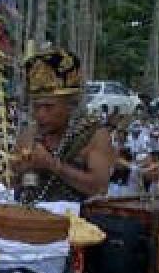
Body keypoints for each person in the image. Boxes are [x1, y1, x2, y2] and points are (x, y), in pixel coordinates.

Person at [12, 49, 116, 203]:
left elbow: (99, 187)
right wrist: (20, 168)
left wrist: (53, 165)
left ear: (70, 105)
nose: (40, 114)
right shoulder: (29, 135)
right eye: (36, 107)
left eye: (48, 107)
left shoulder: (94, 135)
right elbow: (10, 179)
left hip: (76, 223)